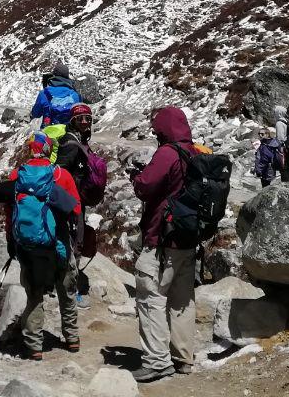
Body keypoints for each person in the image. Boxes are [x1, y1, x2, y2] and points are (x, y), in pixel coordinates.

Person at [0, 132, 82, 360]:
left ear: (30, 150)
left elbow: (10, 213)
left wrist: (11, 241)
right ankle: (72, 338)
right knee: (66, 290)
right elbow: (76, 210)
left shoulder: (18, 176)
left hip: (29, 247)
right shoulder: (61, 175)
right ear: (50, 151)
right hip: (59, 243)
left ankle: (34, 345)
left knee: (34, 293)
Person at [130, 106, 197, 382]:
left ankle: (157, 361)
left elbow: (146, 186)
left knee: (151, 295)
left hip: (163, 237)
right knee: (183, 300)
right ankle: (183, 358)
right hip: (188, 239)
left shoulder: (168, 153)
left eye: (157, 130)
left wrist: (136, 176)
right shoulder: (196, 152)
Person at [56, 103, 103, 310]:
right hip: (70, 203)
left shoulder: (79, 141)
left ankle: (65, 286)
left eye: (88, 119)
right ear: (72, 121)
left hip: (76, 201)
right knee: (74, 244)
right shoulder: (71, 144)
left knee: (75, 242)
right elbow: (62, 173)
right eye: (80, 119)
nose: (84, 122)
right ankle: (70, 293)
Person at [30, 61, 82, 127]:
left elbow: (35, 114)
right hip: (69, 133)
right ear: (67, 77)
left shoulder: (44, 93)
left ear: (53, 75)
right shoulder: (75, 95)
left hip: (48, 132)